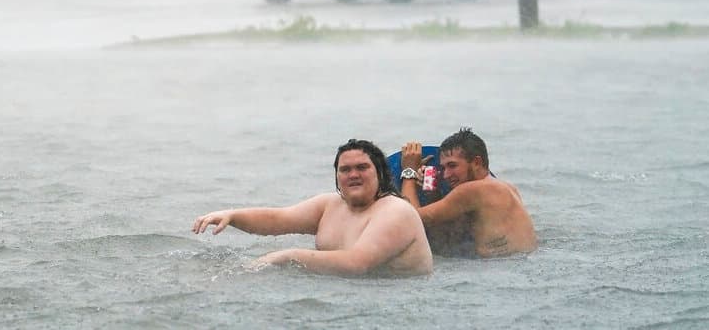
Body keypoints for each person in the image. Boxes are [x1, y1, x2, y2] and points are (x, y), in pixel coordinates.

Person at [192, 139, 433, 276]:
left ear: (380, 173)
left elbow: (357, 264)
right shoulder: (330, 205)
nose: (353, 175)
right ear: (337, 176)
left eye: (362, 168)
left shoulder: (395, 211)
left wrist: (287, 256)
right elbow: (278, 219)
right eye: (345, 170)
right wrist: (232, 215)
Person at [400, 128, 537, 258]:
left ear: (477, 162)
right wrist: (432, 193)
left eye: (452, 166)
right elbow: (446, 238)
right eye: (443, 167)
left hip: (497, 269)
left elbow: (410, 218)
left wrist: (409, 172)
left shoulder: (472, 190)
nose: (446, 175)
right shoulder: (507, 188)